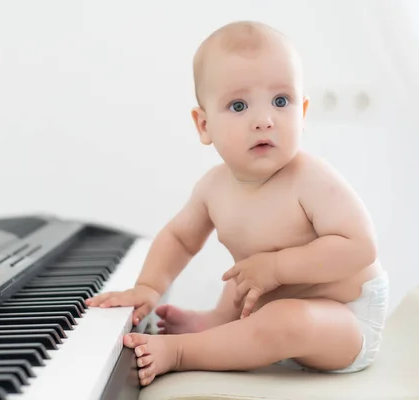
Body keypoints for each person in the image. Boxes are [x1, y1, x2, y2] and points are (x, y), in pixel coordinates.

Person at [85, 20, 389, 387]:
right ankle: (215, 324)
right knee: (247, 275)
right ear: (204, 125)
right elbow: (181, 238)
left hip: (345, 319)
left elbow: (360, 248)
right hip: (277, 307)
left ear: (303, 113)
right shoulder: (213, 188)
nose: (264, 120)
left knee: (279, 307)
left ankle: (183, 351)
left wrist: (277, 267)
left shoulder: (311, 178)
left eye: (281, 101)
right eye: (239, 105)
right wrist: (149, 286)